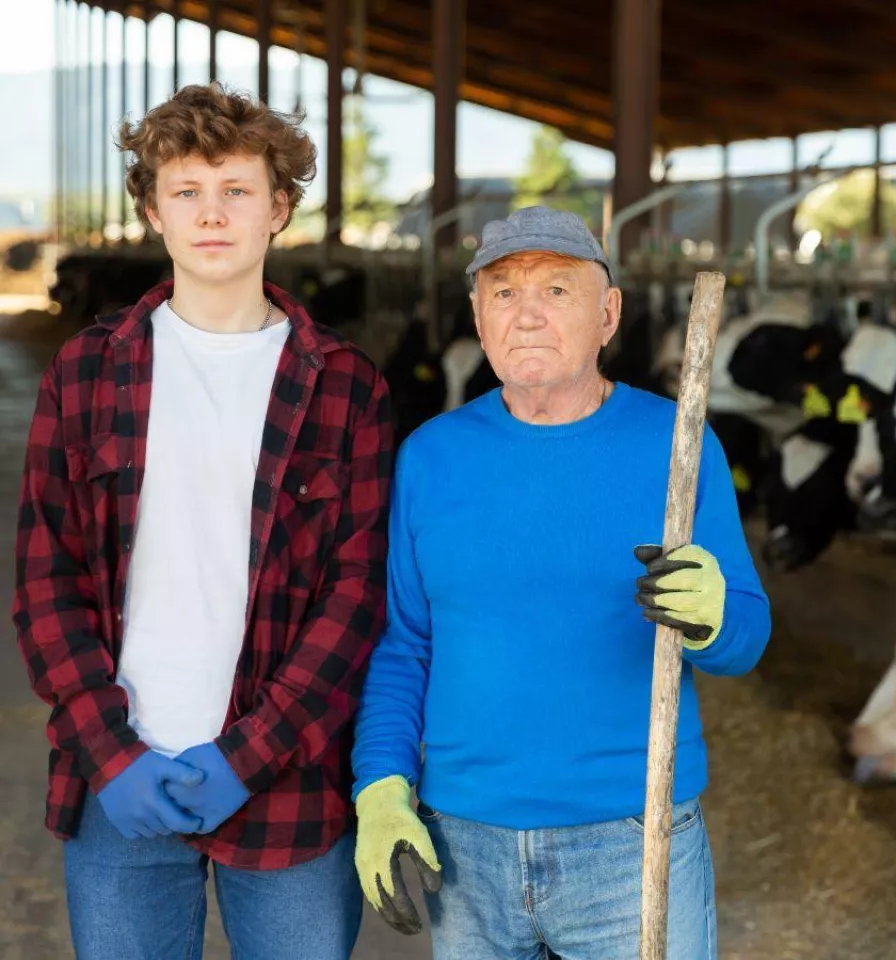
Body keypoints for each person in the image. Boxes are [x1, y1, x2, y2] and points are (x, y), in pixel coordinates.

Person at [12, 82, 394, 959]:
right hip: (120, 781)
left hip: (286, 781)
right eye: (186, 192)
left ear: (279, 209)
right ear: (153, 210)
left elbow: (356, 597)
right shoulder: (86, 370)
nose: (211, 214)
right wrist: (109, 748)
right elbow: (46, 583)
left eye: (236, 191)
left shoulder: (346, 385)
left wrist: (249, 754)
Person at [350, 205, 772, 959]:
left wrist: (713, 616)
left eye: (556, 289)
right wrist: (380, 784)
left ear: (608, 314)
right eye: (504, 293)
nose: (528, 315)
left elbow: (744, 635)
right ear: (478, 320)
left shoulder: (676, 442)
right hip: (464, 845)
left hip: (630, 836)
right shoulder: (432, 456)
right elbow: (405, 645)